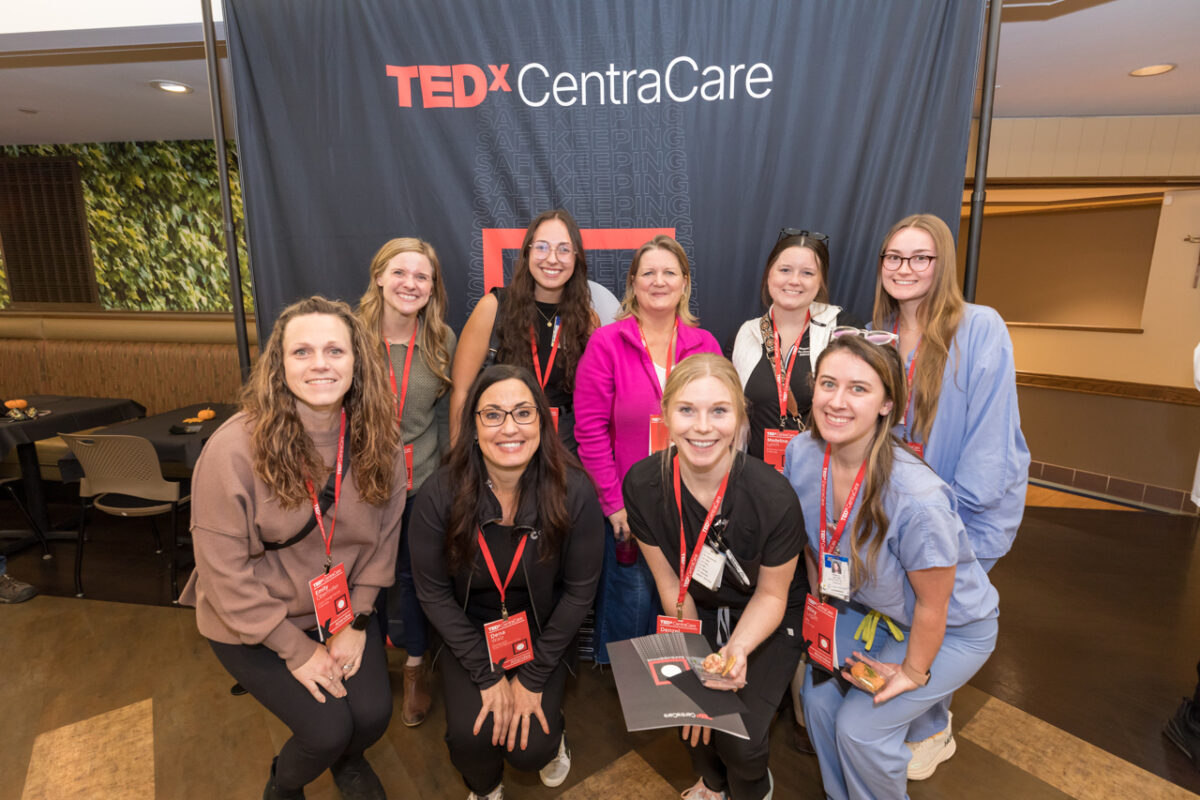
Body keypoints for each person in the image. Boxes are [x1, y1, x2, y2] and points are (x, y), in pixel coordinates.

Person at [181, 296, 407, 800]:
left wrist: (357, 621)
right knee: (325, 729)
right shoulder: (232, 450)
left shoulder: (380, 441)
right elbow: (223, 575)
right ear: (278, 367)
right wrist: (296, 650)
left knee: (371, 715)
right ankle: (283, 784)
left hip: (338, 611)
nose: (321, 364)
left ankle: (347, 763)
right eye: (302, 352)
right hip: (253, 622)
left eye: (335, 350)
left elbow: (385, 539)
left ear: (357, 361)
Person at [783, 333, 999, 800]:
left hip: (952, 628)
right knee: (818, 701)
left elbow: (934, 605)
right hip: (864, 609)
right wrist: (823, 613)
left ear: (886, 405)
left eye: (859, 389)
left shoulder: (915, 498)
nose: (837, 402)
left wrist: (912, 673)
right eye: (827, 384)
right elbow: (814, 542)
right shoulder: (801, 453)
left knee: (861, 729)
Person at [871, 213, 1029, 776]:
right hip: (901, 512)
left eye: (919, 258)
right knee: (912, 612)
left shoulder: (980, 326)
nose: (904, 269)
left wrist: (952, 515)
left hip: (963, 511)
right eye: (894, 257)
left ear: (943, 264)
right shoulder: (878, 332)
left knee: (946, 615)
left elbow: (992, 434)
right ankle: (921, 717)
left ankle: (934, 728)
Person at [410, 364, 604, 800]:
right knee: (471, 737)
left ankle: (555, 731)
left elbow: (579, 593)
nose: (509, 427)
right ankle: (485, 788)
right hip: (467, 631)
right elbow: (432, 593)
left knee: (530, 748)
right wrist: (486, 673)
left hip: (542, 631)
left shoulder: (575, 491)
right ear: (473, 426)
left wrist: (533, 677)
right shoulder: (439, 493)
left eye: (523, 412)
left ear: (542, 421)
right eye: (493, 414)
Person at [624, 353, 806, 800]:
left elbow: (771, 594)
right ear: (665, 413)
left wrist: (736, 651)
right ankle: (711, 782)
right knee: (694, 720)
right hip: (698, 606)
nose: (702, 427)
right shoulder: (643, 485)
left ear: (740, 418)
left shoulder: (773, 495)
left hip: (768, 613)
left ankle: (750, 788)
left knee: (740, 741)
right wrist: (697, 657)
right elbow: (671, 585)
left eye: (719, 411)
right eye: (687, 410)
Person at [574, 235, 723, 663]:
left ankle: (677, 687)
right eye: (649, 273)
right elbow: (590, 430)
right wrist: (614, 503)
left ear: (684, 283)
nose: (659, 281)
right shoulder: (607, 344)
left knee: (685, 602)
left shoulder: (705, 344)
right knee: (632, 604)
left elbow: (720, 423)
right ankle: (628, 695)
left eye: (669, 273)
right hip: (631, 505)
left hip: (693, 502)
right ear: (633, 282)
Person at [356, 237, 457, 727]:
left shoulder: (441, 339)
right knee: (362, 579)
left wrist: (444, 480)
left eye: (422, 276)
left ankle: (416, 668)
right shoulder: (348, 336)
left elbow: (441, 418)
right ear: (379, 276)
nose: (410, 284)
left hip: (421, 485)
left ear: (432, 287)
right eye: (400, 273)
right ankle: (367, 666)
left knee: (416, 581)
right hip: (360, 485)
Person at [450, 209, 596, 454]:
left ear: (576, 257)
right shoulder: (493, 308)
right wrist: (459, 459)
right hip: (504, 441)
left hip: (565, 448)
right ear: (527, 252)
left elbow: (594, 401)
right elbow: (461, 391)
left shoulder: (588, 320)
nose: (552, 258)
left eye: (563, 249)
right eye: (541, 247)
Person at [732, 229, 859, 469]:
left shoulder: (843, 329)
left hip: (822, 476)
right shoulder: (744, 334)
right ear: (769, 273)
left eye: (807, 273)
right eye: (785, 270)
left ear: (820, 281)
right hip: (756, 479)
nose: (794, 281)